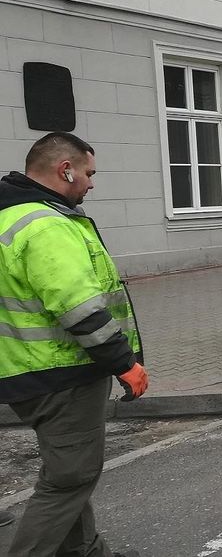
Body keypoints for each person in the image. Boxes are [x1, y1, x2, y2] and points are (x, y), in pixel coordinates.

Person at [0, 132, 147, 557]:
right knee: (69, 480)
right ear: (65, 170)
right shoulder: (45, 224)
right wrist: (125, 364)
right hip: (62, 373)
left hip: (29, 368)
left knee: (68, 470)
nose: (91, 182)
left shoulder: (11, 215)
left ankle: (85, 552)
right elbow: (78, 308)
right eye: (88, 172)